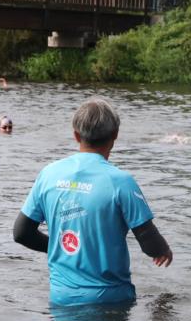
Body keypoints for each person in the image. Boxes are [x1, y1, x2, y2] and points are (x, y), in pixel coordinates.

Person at [13, 98, 173, 306]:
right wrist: (163, 250)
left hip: (62, 298)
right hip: (111, 300)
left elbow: (21, 233)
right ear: (115, 134)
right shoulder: (121, 182)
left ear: (76, 135)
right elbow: (148, 240)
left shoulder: (48, 174)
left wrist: (60, 246)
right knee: (166, 304)